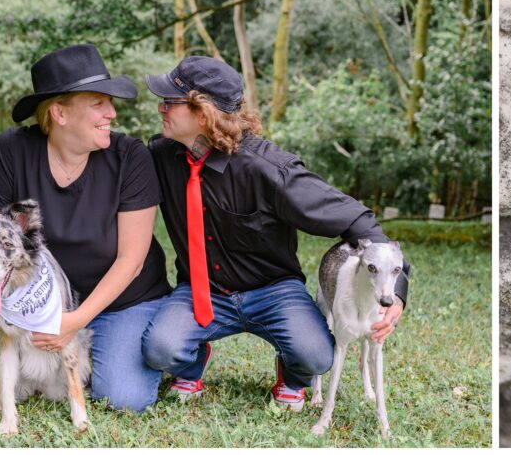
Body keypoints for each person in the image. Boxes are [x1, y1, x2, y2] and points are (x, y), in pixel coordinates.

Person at [140, 56, 410, 411]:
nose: (161, 107)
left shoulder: (270, 169)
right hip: (202, 290)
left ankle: (291, 372)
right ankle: (191, 362)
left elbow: (359, 222)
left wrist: (399, 291)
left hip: (273, 291)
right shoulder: (160, 155)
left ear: (202, 112)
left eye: (170, 102)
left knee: (316, 357)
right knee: (160, 348)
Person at [0, 44, 171, 412]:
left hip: (121, 299)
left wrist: (75, 321)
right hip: (41, 296)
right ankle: (5, 368)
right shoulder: (12, 150)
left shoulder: (130, 157)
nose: (112, 113)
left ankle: (168, 354)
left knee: (122, 398)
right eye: (98, 102)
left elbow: (132, 259)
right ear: (59, 112)